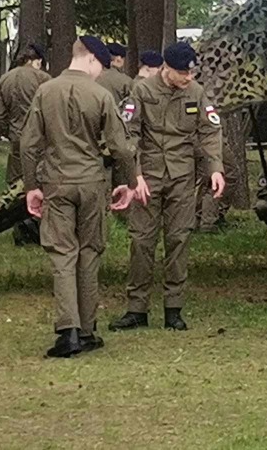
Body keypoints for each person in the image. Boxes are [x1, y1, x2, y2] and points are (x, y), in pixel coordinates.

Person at [20, 36, 143, 358]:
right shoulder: (100, 94)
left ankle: (68, 332)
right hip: (91, 183)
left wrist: (31, 186)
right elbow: (120, 147)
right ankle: (87, 330)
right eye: (100, 66)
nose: (101, 72)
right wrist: (129, 183)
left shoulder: (45, 91)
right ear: (88, 58)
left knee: (62, 255)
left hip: (57, 182)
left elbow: (28, 144)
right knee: (89, 253)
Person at [110, 41, 225, 332]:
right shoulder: (143, 91)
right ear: (166, 69)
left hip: (182, 178)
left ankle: (174, 309)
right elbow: (129, 135)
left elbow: (210, 131)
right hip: (148, 176)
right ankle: (137, 309)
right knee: (142, 242)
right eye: (182, 74)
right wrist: (135, 177)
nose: (188, 78)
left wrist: (215, 169)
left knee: (179, 240)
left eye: (191, 73)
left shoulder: (196, 93)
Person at [0, 42, 50, 185]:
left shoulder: (5, 79)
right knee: (41, 182)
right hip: (41, 140)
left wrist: (10, 132)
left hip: (17, 138)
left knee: (16, 184)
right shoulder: (44, 79)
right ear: (38, 61)